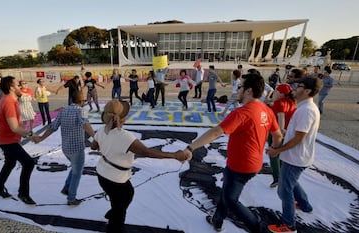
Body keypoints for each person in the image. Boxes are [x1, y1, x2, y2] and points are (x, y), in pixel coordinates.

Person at [184, 73, 282, 233]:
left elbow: (216, 132)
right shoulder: (266, 110)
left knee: (231, 199)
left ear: (248, 91)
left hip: (241, 166)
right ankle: (217, 220)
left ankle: (259, 228)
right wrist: (274, 150)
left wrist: (190, 148)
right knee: (227, 191)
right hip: (252, 163)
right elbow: (278, 135)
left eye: (240, 87)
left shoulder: (242, 113)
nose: (237, 90)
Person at [91, 99, 189, 233]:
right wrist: (175, 155)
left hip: (102, 173)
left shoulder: (102, 130)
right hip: (116, 179)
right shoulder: (125, 136)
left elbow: (93, 146)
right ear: (123, 118)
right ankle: (114, 224)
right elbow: (147, 152)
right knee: (120, 210)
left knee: (125, 195)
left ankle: (113, 212)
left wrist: (106, 143)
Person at [266, 77, 323, 233]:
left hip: (296, 157)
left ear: (307, 91)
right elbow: (296, 133)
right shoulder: (304, 107)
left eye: (299, 86)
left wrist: (277, 150)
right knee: (292, 183)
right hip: (297, 156)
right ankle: (305, 205)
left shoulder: (306, 110)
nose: (294, 89)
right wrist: (284, 132)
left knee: (284, 190)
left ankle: (289, 225)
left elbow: (299, 138)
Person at [36, 92, 95, 205]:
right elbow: (85, 124)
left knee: (75, 167)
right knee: (77, 172)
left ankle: (66, 188)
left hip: (66, 148)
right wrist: (96, 137)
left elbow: (53, 127)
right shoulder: (82, 110)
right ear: (81, 102)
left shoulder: (63, 111)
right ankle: (71, 198)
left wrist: (41, 138)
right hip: (77, 147)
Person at [0, 76, 39, 205]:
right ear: (11, 87)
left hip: (5, 138)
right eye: (17, 85)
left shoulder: (5, 97)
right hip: (7, 140)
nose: (20, 87)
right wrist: (30, 135)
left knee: (10, 163)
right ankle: (23, 193)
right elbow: (15, 127)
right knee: (28, 163)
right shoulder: (9, 102)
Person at [268, 83, 296, 188]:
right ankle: (283, 176)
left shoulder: (279, 103)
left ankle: (277, 178)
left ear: (281, 93)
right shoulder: (292, 102)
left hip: (277, 132)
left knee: (273, 154)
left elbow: (281, 116)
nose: (274, 93)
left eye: (276, 91)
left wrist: (279, 131)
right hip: (288, 132)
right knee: (281, 155)